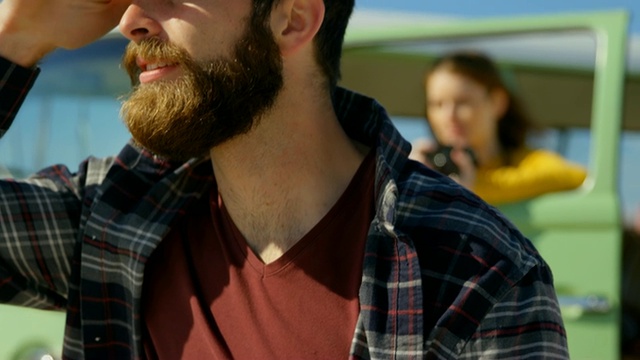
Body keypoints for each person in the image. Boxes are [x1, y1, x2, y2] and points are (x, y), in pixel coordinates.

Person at [0, 0, 569, 358]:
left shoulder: (480, 272)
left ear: (292, 18)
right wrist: (16, 35)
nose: (130, 19)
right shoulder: (113, 213)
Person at [410, 51, 587, 205]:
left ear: (497, 102)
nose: (449, 115)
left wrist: (473, 187)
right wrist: (405, 179)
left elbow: (577, 177)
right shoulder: (424, 169)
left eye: (463, 102)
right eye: (437, 104)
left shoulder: (529, 161)